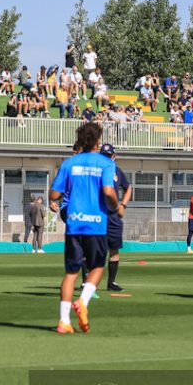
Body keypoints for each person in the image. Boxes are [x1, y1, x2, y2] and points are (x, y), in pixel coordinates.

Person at [48, 123, 119, 334]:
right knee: (97, 267)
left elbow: (54, 195)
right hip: (96, 224)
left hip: (74, 223)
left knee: (71, 273)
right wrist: (115, 204)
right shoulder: (105, 163)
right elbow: (108, 190)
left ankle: (63, 321)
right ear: (98, 141)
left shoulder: (69, 163)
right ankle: (83, 301)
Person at [99, 144, 132, 292]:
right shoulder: (96, 171)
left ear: (114, 156)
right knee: (92, 249)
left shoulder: (117, 171)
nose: (106, 158)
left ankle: (111, 283)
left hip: (113, 215)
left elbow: (128, 187)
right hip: (97, 213)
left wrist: (123, 205)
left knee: (114, 248)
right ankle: (86, 283)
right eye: (103, 156)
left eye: (108, 156)